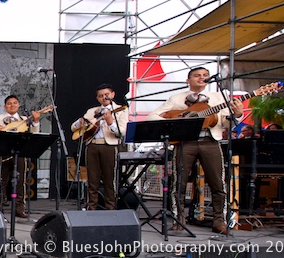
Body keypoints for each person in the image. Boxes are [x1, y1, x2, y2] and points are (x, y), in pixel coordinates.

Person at [147, 67, 243, 234]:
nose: (202, 78)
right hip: (185, 142)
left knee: (218, 183)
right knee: (179, 182)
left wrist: (238, 114)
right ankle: (178, 219)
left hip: (210, 141)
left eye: (205, 75)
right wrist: (178, 119)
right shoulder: (177, 98)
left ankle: (219, 221)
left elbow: (227, 123)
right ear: (188, 80)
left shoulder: (218, 97)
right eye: (197, 75)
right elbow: (152, 116)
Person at [70, 84, 127, 211]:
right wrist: (80, 122)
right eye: (100, 96)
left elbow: (122, 131)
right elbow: (73, 128)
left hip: (109, 146)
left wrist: (111, 123)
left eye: (106, 95)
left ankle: (110, 208)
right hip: (92, 145)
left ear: (112, 94)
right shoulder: (92, 111)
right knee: (92, 179)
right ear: (97, 98)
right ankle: (91, 207)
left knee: (109, 179)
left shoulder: (121, 110)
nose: (104, 97)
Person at [0, 95, 41, 218]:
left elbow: (34, 133)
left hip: (19, 153)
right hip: (2, 153)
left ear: (18, 105)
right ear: (5, 106)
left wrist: (36, 121)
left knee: (20, 181)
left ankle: (19, 208)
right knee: (1, 180)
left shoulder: (23, 119)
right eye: (9, 103)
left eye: (15, 103)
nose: (12, 105)